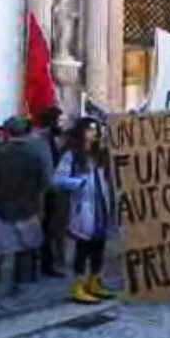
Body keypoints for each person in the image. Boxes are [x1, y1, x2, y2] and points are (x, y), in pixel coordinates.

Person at [0, 117, 51, 294]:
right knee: (25, 247)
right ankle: (20, 281)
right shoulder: (35, 154)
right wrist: (40, 207)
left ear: (6, 132)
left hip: (1, 207)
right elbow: (43, 184)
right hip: (28, 207)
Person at [54, 118, 116, 304]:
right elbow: (57, 179)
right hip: (83, 208)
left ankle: (95, 281)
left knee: (99, 247)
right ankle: (78, 286)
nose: (94, 133)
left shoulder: (100, 154)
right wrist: (78, 183)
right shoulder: (71, 155)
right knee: (83, 249)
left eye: (96, 130)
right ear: (81, 132)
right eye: (90, 130)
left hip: (102, 206)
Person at [35, 107, 66, 278]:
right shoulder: (39, 140)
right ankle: (43, 264)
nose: (61, 124)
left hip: (55, 189)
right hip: (43, 191)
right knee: (44, 229)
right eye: (58, 120)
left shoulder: (57, 139)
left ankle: (50, 262)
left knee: (53, 228)